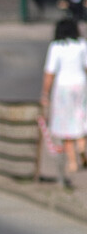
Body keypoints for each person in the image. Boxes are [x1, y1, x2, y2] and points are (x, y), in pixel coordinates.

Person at [41, 17, 87, 181]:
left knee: (67, 123)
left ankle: (72, 161)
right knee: (80, 117)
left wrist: (45, 94)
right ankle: (82, 146)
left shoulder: (56, 47)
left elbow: (49, 73)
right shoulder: (81, 45)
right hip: (80, 84)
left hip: (63, 87)